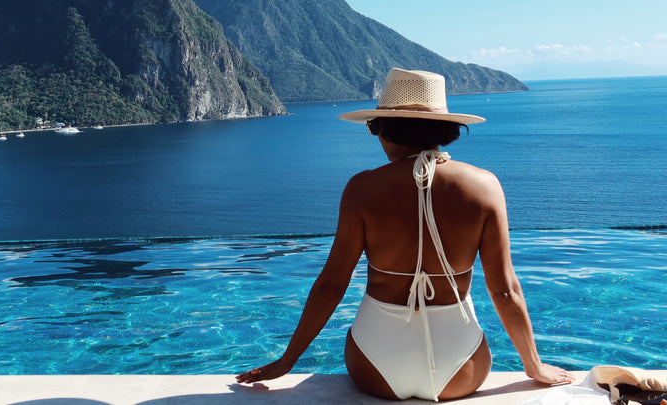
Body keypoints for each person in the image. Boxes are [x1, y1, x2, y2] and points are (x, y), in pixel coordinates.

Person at [236, 69, 575, 401]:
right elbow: (504, 290)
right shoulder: (485, 187)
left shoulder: (363, 188)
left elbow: (332, 285)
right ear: (444, 128)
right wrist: (534, 366)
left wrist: (287, 361)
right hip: (461, 371)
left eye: (374, 129)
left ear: (385, 129)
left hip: (374, 365)